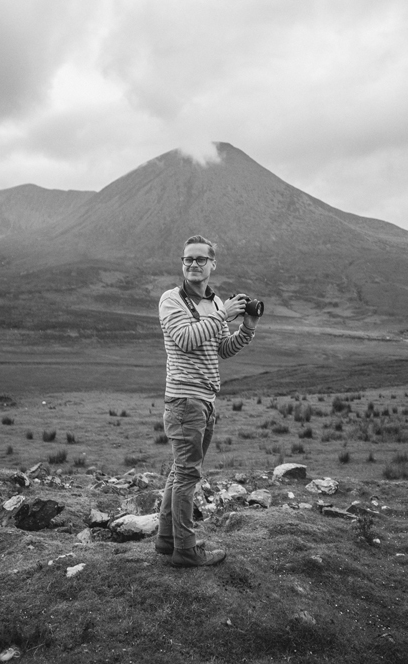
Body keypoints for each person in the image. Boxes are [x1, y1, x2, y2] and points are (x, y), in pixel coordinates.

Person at [155, 235, 259, 567]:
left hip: (206, 402)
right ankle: (185, 550)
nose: (194, 265)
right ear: (182, 264)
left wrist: (246, 328)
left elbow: (219, 350)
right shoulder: (171, 300)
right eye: (188, 259)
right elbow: (186, 339)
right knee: (187, 476)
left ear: (213, 264)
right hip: (185, 401)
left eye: (201, 259)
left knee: (181, 472)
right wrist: (223, 315)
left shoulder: (214, 304)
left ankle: (166, 541)